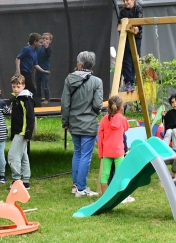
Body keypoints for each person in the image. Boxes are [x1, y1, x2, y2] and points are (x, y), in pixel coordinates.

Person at [62, 51, 104, 197]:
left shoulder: (69, 79)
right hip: (89, 123)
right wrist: (95, 112)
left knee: (77, 153)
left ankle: (75, 186)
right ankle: (81, 188)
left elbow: (65, 103)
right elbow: (98, 104)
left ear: (79, 65)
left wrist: (65, 122)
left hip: (73, 122)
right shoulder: (97, 82)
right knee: (86, 155)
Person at [98, 95, 131, 199]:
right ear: (121, 107)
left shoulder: (104, 119)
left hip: (107, 152)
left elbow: (100, 137)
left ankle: (104, 196)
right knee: (120, 173)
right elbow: (126, 128)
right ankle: (121, 196)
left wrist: (100, 152)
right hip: (118, 151)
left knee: (105, 174)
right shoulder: (122, 119)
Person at [8, 75, 35, 188]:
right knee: (23, 156)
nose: (15, 89)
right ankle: (25, 181)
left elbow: (30, 117)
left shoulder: (25, 99)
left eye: (18, 86)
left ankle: (16, 180)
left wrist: (28, 133)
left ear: (23, 86)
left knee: (12, 156)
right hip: (18, 132)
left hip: (21, 132)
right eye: (14, 86)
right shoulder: (16, 99)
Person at [118, 0, 144, 92]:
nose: (125, 2)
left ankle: (133, 81)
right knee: (126, 60)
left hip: (136, 38)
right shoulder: (122, 12)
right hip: (126, 38)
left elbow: (140, 19)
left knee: (135, 59)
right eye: (124, 1)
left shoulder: (138, 9)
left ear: (133, 0)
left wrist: (137, 27)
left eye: (127, 0)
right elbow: (119, 23)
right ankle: (128, 81)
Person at [16, 33, 42, 106]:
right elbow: (18, 58)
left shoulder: (34, 52)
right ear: (35, 42)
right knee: (32, 89)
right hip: (23, 72)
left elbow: (35, 65)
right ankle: (38, 105)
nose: (40, 45)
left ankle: (25, 104)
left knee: (24, 90)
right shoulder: (27, 49)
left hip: (28, 73)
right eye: (40, 42)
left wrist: (43, 71)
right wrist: (18, 70)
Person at [36, 33, 53, 103]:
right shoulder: (39, 47)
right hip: (38, 69)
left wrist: (46, 48)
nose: (44, 40)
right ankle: (38, 98)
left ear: (50, 41)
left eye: (46, 39)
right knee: (38, 85)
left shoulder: (48, 49)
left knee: (45, 85)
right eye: (43, 39)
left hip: (45, 69)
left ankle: (47, 98)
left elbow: (48, 55)